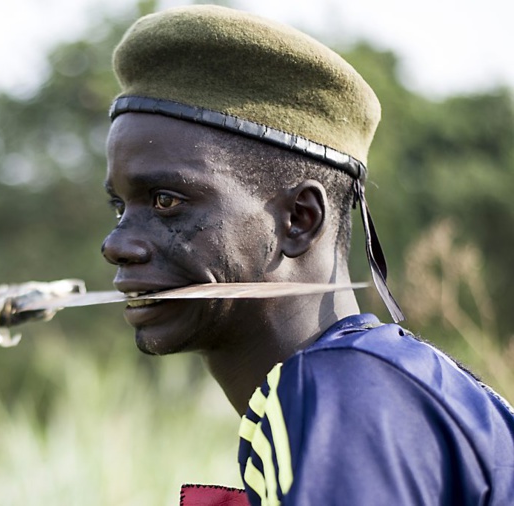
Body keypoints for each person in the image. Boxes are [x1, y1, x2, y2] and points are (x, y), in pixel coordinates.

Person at [100, 5, 514, 505]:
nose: (117, 244)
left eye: (166, 201)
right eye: (120, 206)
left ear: (299, 219)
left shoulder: (345, 394)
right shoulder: (373, 383)